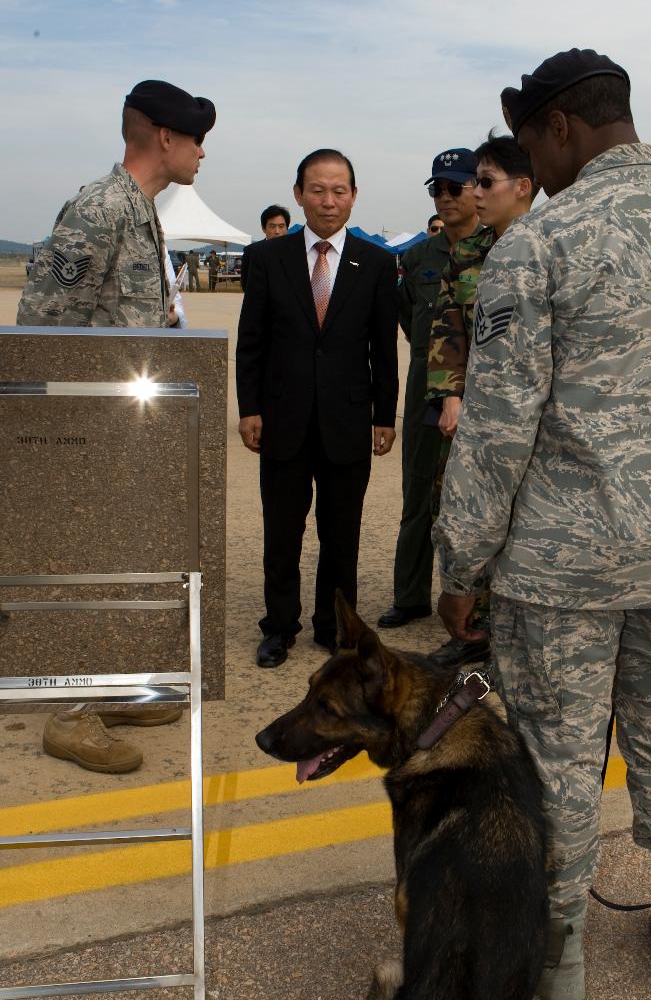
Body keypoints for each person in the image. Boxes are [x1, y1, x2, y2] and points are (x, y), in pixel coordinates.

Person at [433, 48, 651, 1000]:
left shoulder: (540, 243)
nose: (535, 162)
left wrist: (462, 561)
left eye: (534, 141)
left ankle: (562, 951)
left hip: (558, 568)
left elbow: (495, 429)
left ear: (561, 127)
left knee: (556, 758)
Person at [17, 78, 216, 773]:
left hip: (127, 432)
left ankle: (109, 691)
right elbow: (40, 328)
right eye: (196, 139)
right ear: (164, 137)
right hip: (89, 435)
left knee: (125, 567)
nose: (201, 154)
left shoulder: (140, 211)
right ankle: (70, 715)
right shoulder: (100, 209)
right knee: (88, 573)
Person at [236, 148, 398, 667]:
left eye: (339, 190)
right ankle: (279, 626)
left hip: (348, 421)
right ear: (299, 194)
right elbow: (252, 341)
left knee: (341, 533)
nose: (329, 201)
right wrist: (250, 408)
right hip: (283, 419)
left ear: (353, 195)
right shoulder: (267, 258)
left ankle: (335, 629)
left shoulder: (376, 263)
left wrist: (383, 415)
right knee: (281, 531)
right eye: (318, 190)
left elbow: (383, 348)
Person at [425, 133, 536, 669]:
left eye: (484, 182)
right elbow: (447, 327)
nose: (474, 193)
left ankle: (517, 631)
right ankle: (476, 630)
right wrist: (450, 395)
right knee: (468, 518)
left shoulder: (550, 247)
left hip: (533, 423)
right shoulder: (467, 255)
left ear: (522, 188)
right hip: (475, 419)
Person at [377, 150, 483, 630]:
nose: (444, 197)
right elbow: (407, 314)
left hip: (480, 386)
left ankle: (471, 602)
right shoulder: (417, 255)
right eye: (436, 189)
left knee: (477, 497)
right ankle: (411, 595)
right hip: (425, 382)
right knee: (418, 490)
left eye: (454, 187)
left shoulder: (497, 249)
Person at [240, 203, 292, 292]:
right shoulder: (251, 251)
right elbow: (247, 285)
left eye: (281, 226)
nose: (277, 231)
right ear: (263, 228)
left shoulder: (296, 251)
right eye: (272, 226)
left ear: (287, 228)